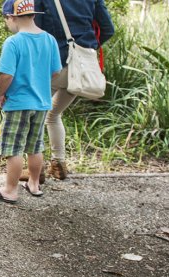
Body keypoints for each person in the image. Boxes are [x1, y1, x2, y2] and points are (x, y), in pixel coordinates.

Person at [0, 0, 62, 204]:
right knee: (35, 145)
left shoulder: (14, 42)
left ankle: (10, 189)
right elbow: (56, 71)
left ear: (12, 17)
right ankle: (34, 184)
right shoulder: (50, 40)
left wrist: (1, 93)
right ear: (33, 14)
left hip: (18, 103)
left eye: (6, 19)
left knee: (13, 148)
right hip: (42, 102)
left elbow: (6, 75)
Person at [34, 0, 114, 179]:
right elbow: (108, 28)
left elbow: (36, 31)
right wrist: (84, 48)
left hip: (54, 66)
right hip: (80, 70)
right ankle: (58, 164)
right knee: (53, 115)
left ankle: (36, 170)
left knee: (36, 114)